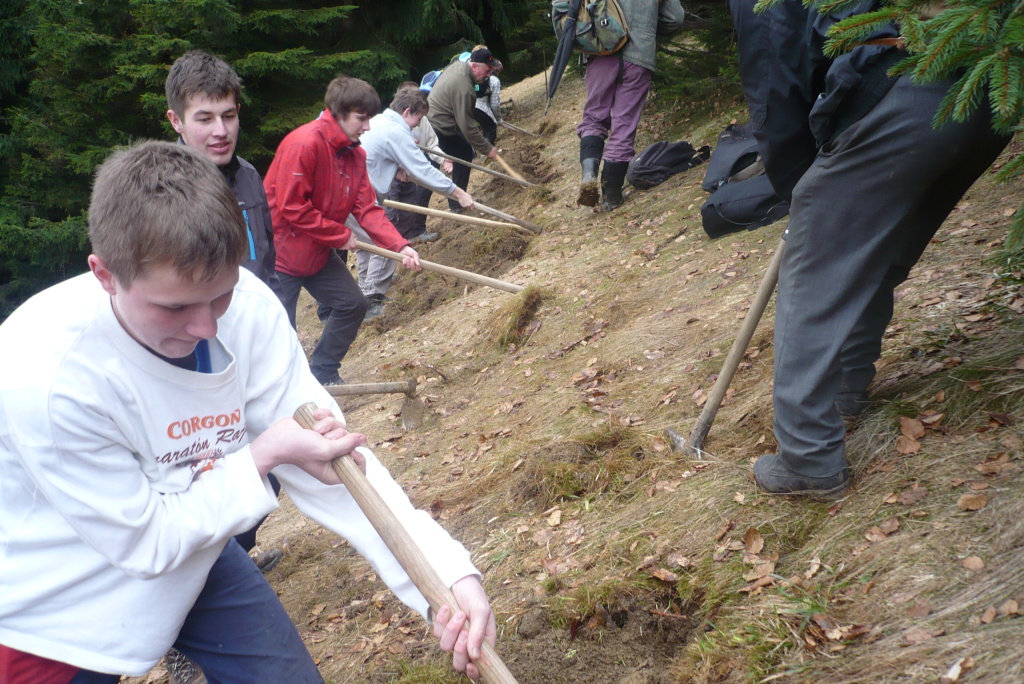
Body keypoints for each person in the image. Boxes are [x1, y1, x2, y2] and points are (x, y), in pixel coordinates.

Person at [0, 141, 496, 683]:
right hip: (55, 600)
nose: (207, 327)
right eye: (174, 307)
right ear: (104, 275)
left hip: (195, 551)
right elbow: (146, 542)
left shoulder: (251, 311)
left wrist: (447, 581)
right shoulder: (44, 375)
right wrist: (263, 455)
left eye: (221, 295)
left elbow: (336, 469)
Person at [727, 0, 1011, 497]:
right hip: (990, 77)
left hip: (904, 82)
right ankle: (846, 389)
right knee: (877, 250)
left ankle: (808, 459)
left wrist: (804, 190)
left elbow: (776, 82)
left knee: (816, 277)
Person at [264, 76, 421, 386]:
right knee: (280, 333)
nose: (367, 127)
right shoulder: (304, 144)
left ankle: (323, 371)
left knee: (353, 305)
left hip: (317, 253)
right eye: (361, 118)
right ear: (338, 112)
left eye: (369, 118)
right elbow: (291, 206)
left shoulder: (355, 155)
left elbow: (367, 209)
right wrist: (339, 235)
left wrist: (399, 246)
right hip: (280, 256)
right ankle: (288, 392)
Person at [356, 84, 474, 320]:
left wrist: (397, 166)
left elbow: (387, 158)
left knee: (367, 243)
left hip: (356, 193)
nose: (418, 124)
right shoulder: (396, 131)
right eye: (418, 118)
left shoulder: (380, 121)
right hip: (364, 196)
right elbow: (422, 169)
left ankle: (364, 292)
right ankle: (371, 299)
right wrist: (457, 192)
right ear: (407, 111)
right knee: (386, 238)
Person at [166, 50, 276, 286]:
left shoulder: (249, 176)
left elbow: (267, 263)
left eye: (228, 116)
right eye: (205, 119)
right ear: (176, 121)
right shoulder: (159, 192)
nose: (221, 131)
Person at [576, 0, 685, 211]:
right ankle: (611, 196)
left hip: (600, 52)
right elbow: (675, 18)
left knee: (594, 117)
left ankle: (588, 174)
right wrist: (646, 29)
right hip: (638, 54)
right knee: (624, 125)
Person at [427, 47, 500, 212]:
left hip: (440, 123)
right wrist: (488, 149)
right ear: (474, 66)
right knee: (428, 172)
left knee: (463, 152)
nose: (488, 75)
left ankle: (457, 203)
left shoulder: (461, 66)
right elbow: (467, 127)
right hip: (436, 126)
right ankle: (416, 224)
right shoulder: (464, 88)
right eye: (487, 70)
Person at [472, 59, 503, 145]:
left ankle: (484, 147)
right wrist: (498, 119)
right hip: (479, 107)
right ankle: (487, 149)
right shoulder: (495, 81)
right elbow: (495, 104)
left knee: (485, 128)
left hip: (468, 104)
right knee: (491, 128)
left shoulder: (479, 77)